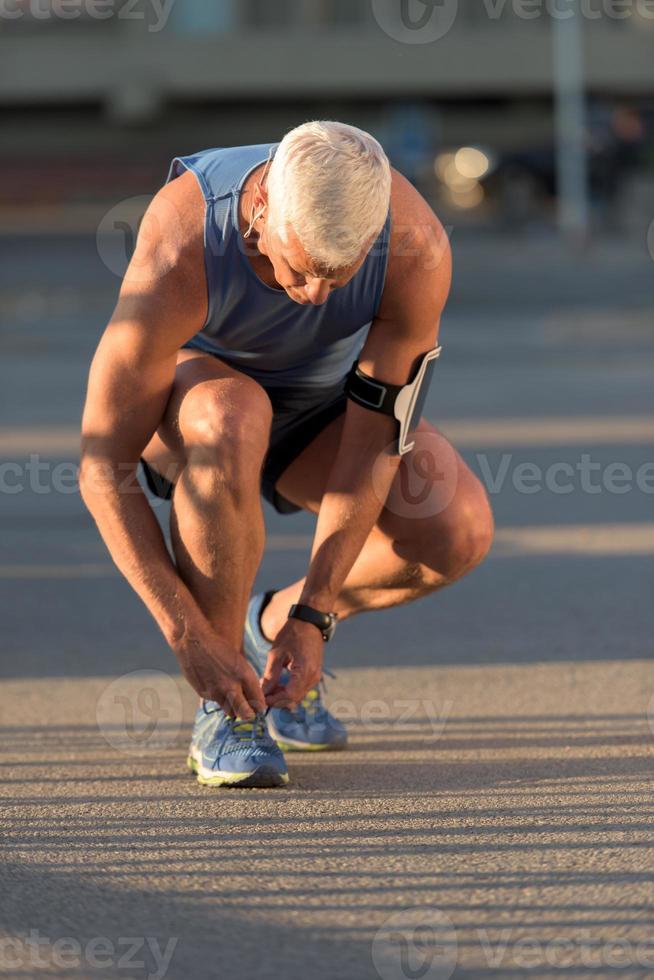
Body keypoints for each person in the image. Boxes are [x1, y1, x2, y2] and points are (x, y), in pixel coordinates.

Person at [80, 121, 493, 788]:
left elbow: (372, 443)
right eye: (298, 267)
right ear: (263, 207)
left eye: (340, 275)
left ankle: (267, 626)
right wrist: (187, 634)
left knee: (456, 530)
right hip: (198, 409)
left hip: (318, 409)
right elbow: (102, 466)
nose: (313, 296)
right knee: (231, 415)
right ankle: (228, 707)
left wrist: (313, 616)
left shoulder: (416, 247)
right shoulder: (183, 237)